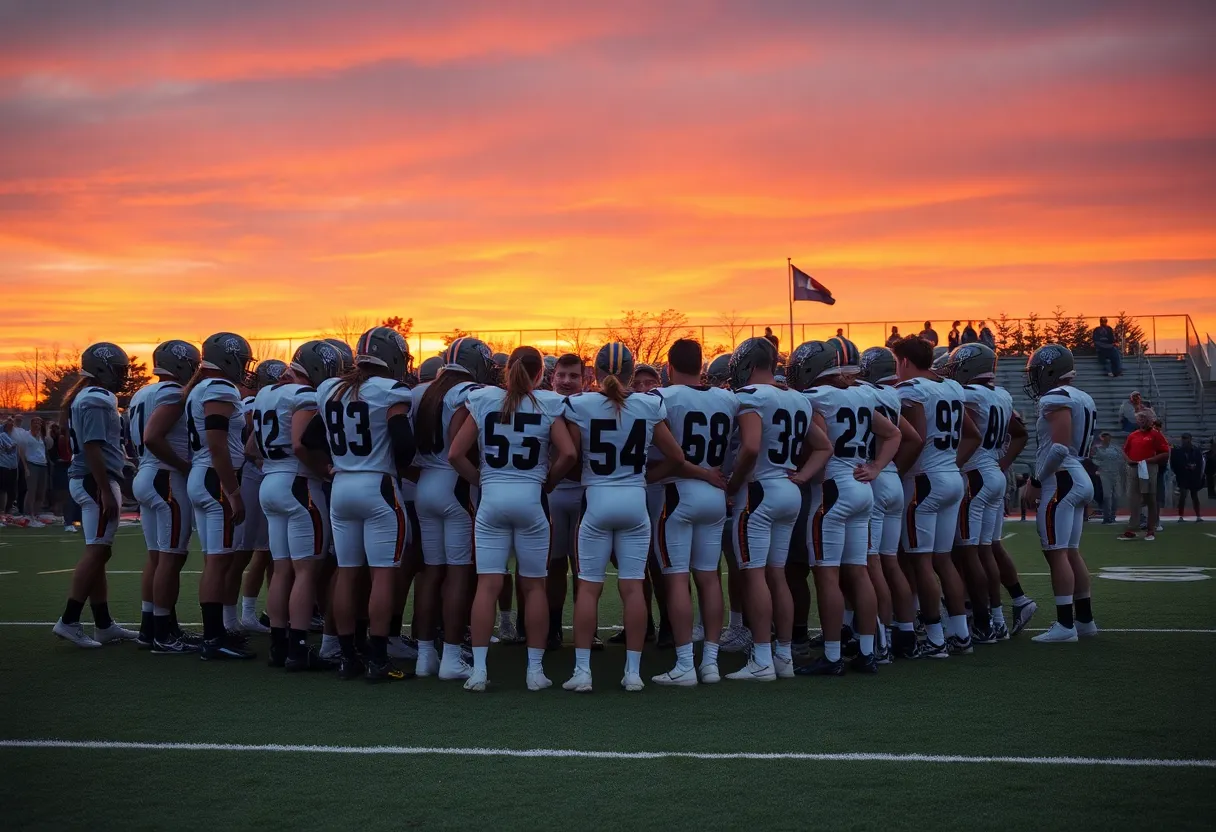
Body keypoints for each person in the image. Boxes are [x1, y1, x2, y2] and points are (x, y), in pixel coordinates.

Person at [448, 346, 576, 691]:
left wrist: (481, 479)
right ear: (541, 374)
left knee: (488, 586)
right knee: (534, 586)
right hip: (531, 498)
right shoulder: (547, 403)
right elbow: (568, 452)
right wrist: (549, 480)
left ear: (506, 370)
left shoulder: (484, 399)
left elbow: (455, 453)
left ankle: (478, 671)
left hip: (492, 499)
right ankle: (534, 671)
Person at [561, 342, 687, 692]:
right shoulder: (648, 404)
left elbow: (568, 456)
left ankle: (583, 671)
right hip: (634, 499)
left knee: (589, 588)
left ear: (594, 373)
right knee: (633, 587)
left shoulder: (581, 405)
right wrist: (643, 478)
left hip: (597, 498)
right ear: (633, 373)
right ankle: (633, 673)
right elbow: (676, 457)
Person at [788, 340, 899, 675]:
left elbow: (820, 446)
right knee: (859, 571)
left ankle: (833, 656)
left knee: (827, 576)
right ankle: (867, 652)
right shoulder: (863, 395)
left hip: (833, 489)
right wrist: (877, 467)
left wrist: (803, 474)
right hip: (862, 486)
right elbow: (893, 434)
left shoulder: (814, 399)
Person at [724, 337, 830, 681]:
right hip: (788, 491)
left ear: (748, 365)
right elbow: (823, 447)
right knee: (777, 574)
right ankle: (783, 655)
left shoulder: (752, 396)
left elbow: (751, 447)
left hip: (759, 492)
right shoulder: (797, 398)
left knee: (755, 575)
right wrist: (802, 478)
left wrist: (734, 484)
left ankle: (761, 659)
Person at [317, 327, 417, 681]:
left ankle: (347, 657)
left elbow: (309, 438)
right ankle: (377, 657)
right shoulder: (390, 391)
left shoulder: (330, 388)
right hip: (378, 486)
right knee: (383, 575)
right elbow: (404, 444)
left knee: (347, 571)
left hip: (342, 485)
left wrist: (332, 467)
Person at [648, 338, 736, 685]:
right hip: (715, 492)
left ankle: (685, 663)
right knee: (709, 578)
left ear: (668, 367)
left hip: (677, 493)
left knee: (676, 579)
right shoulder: (727, 399)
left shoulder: (661, 397)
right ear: (702, 365)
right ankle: (711, 663)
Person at [411, 336, 497, 680]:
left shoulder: (420, 392)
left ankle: (423, 655)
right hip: (455, 485)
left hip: (425, 485)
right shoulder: (469, 393)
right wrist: (480, 479)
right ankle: (449, 657)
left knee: (431, 572)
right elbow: (458, 443)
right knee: (459, 573)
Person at [256, 340, 343, 670]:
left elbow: (253, 445)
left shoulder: (266, 395)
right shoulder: (303, 395)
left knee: (282, 569)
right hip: (298, 485)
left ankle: (279, 646)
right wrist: (324, 468)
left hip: (271, 482)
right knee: (306, 570)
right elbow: (300, 443)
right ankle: (298, 648)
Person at [892, 335, 980, 657]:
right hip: (950, 478)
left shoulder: (911, 390)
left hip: (923, 481)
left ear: (903, 361)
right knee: (943, 560)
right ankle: (960, 635)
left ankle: (935, 638)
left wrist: (893, 472)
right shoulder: (951, 387)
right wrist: (950, 464)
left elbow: (914, 440)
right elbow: (973, 434)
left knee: (921, 563)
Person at [51, 343, 141, 648]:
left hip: (91, 478)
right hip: (93, 480)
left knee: (100, 551)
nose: (123, 377)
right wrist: (104, 488)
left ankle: (103, 624)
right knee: (97, 552)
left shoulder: (88, 396)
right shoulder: (97, 398)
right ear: (101, 369)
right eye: (118, 370)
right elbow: (92, 447)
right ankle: (69, 620)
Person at [943, 343, 1024, 642]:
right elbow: (1020, 433)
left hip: (975, 475)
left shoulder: (967, 395)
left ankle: (981, 622)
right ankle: (997, 619)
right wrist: (1001, 463)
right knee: (985, 549)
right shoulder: (1001, 394)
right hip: (992, 473)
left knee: (968, 553)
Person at [184, 332, 257, 660]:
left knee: (217, 558)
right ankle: (214, 638)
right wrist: (234, 491)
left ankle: (216, 633)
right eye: (241, 359)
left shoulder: (202, 387)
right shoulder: (219, 388)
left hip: (206, 476)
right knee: (217, 560)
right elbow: (216, 445)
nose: (244, 366)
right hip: (215, 479)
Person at [127, 340, 201, 653]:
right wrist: (185, 466)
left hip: (147, 474)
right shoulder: (172, 393)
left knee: (158, 557)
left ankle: (150, 628)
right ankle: (162, 634)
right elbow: (153, 437)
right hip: (164, 478)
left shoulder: (141, 393)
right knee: (171, 558)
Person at [1025, 344, 1098, 642]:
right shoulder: (1083, 396)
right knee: (1069, 551)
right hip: (1077, 475)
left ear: (1050, 370)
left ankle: (1065, 625)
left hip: (1062, 478)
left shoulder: (1056, 397)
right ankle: (1084, 621)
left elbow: (1058, 447)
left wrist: (1037, 480)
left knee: (1056, 553)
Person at [857, 347, 924, 659]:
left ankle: (880, 638)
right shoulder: (893, 395)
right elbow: (910, 437)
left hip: (874, 477)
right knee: (891, 561)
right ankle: (906, 633)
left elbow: (897, 435)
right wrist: (894, 469)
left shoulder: (865, 394)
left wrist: (877, 467)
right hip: (893, 477)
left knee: (872, 564)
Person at [545, 353, 589, 650]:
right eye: (562, 375)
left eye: (574, 376)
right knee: (554, 565)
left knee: (585, 567)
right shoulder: (544, 404)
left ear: (586, 380)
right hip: (554, 494)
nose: (566, 381)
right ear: (552, 377)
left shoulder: (592, 406)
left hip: (586, 491)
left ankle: (587, 629)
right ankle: (553, 625)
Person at [1118, 410, 1169, 541]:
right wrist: (1128, 460)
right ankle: (1133, 528)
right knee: (1133, 499)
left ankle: (1150, 529)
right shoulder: (1133, 435)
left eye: (1143, 418)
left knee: (1150, 498)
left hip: (1148, 467)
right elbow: (1124, 450)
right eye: (1139, 418)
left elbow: (1165, 453)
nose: (1141, 421)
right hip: (1133, 468)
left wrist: (1149, 460)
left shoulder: (1156, 435)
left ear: (1150, 420)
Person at [18, 417, 49, 524]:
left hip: (43, 464)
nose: (37, 424)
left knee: (41, 491)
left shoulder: (41, 436)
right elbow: (21, 451)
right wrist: (25, 467)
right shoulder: (26, 435)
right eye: (35, 422)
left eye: (39, 422)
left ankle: (36, 514)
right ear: (31, 423)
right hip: (32, 464)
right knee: (31, 490)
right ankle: (28, 514)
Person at [1170, 433, 1205, 522]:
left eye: (1186, 438)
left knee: (1194, 496)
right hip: (1183, 476)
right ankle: (1181, 516)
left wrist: (1195, 469)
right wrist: (1183, 468)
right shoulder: (1177, 451)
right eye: (1183, 438)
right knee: (1183, 496)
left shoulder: (1196, 451)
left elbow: (1200, 464)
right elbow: (1174, 464)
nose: (1185, 440)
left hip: (1193, 476)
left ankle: (1198, 516)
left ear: (1190, 439)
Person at [1091, 432, 1124, 524]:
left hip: (1116, 474)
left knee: (1116, 496)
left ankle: (1113, 515)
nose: (1106, 439)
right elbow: (1093, 459)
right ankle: (1107, 517)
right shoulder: (1097, 449)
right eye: (1104, 437)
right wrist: (1100, 467)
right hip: (1104, 474)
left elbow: (1121, 458)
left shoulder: (1115, 449)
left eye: (1108, 437)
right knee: (1107, 496)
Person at [1, 419, 19, 518]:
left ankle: (9, 509)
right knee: (3, 489)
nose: (11, 425)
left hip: (13, 466)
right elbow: (7, 449)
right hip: (4, 466)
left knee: (12, 489)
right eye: (9, 423)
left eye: (12, 423)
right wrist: (12, 446)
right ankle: (2, 511)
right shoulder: (2, 436)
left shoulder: (14, 436)